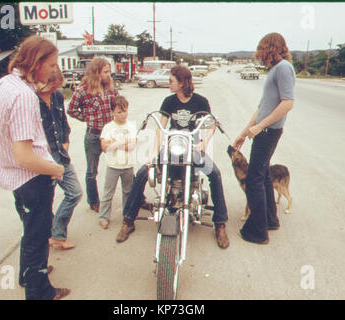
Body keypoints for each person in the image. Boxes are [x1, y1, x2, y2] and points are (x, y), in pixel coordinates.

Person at [0, 35, 70, 300]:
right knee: (37, 237)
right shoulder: (24, 96)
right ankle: (39, 292)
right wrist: (56, 169)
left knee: (30, 230)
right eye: (51, 64)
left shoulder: (4, 84)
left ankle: (28, 273)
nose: (53, 70)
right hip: (31, 179)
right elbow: (24, 156)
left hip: (13, 177)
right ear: (36, 62)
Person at [116, 65, 230, 249]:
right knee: (142, 173)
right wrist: (154, 153)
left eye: (171, 81)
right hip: (172, 146)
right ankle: (128, 220)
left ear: (183, 83)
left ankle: (220, 224)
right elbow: (161, 128)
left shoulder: (200, 101)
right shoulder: (168, 101)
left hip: (192, 147)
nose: (168, 83)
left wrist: (204, 143)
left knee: (215, 174)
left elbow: (211, 124)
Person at [232, 32, 295, 244]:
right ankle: (270, 220)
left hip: (268, 132)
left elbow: (287, 103)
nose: (259, 55)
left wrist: (260, 127)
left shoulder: (284, 68)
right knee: (264, 176)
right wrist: (244, 132)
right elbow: (262, 107)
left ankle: (257, 231)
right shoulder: (275, 70)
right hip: (265, 131)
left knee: (254, 179)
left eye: (262, 50)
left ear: (271, 48)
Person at [36, 67, 82, 250]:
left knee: (75, 192)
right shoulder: (30, 100)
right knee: (44, 203)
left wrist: (65, 143)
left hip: (60, 154)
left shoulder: (57, 97)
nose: (54, 90)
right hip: (42, 159)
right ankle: (47, 241)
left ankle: (56, 233)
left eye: (57, 87)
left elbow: (63, 123)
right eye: (51, 87)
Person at [67, 58, 118, 213]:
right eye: (105, 72)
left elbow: (118, 104)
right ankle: (94, 201)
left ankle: (134, 196)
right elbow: (72, 109)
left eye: (109, 71)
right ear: (96, 73)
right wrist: (86, 118)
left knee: (121, 165)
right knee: (91, 171)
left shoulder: (110, 89)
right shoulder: (83, 90)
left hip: (110, 135)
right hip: (93, 136)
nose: (109, 75)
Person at [98, 96, 137, 229]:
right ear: (112, 112)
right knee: (108, 193)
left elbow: (132, 146)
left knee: (128, 192)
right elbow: (105, 147)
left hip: (128, 165)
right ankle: (103, 217)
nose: (123, 114)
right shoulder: (108, 127)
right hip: (113, 165)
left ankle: (126, 216)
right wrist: (123, 142)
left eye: (125, 111)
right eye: (119, 112)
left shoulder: (131, 126)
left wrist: (114, 142)